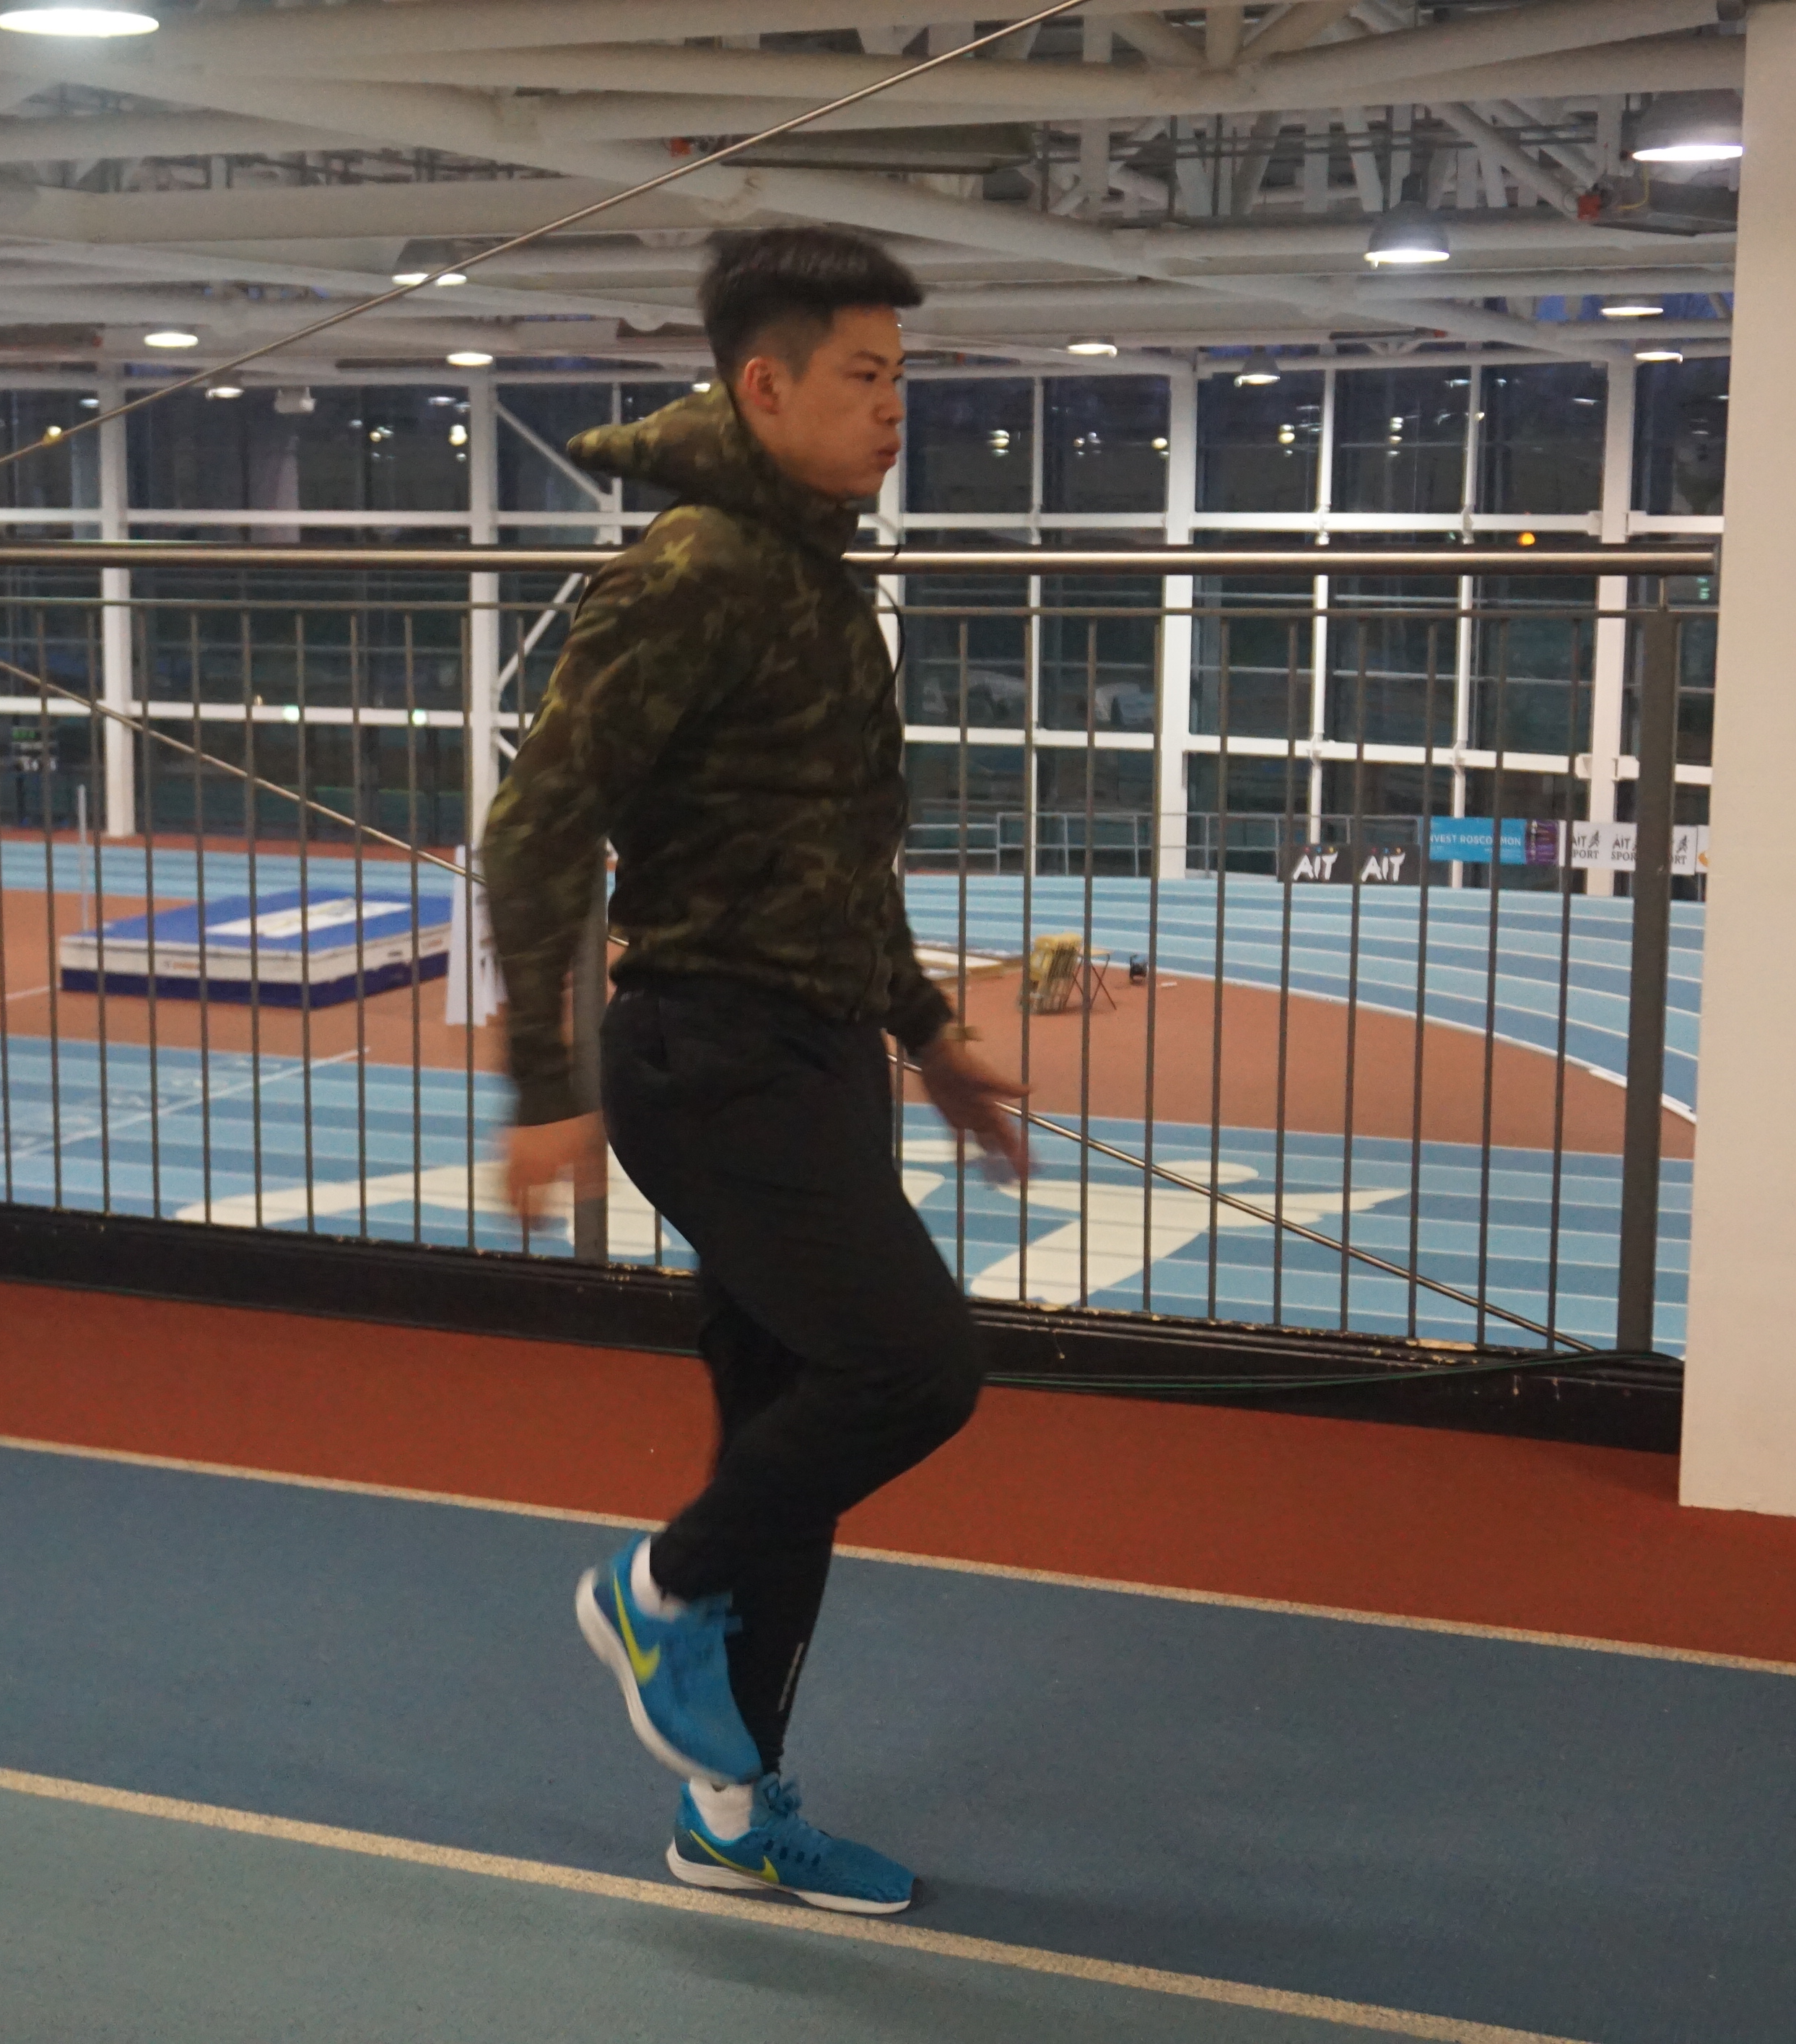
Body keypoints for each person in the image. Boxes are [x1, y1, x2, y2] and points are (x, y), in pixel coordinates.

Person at [479, 226, 1030, 1918]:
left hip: (811, 1050)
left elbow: (830, 857)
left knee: (785, 1439)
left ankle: (728, 1809)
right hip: (711, 1056)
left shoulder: (812, 577)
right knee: (910, 1369)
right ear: (763, 386)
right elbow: (534, 828)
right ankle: (652, 1593)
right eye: (862, 376)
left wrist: (922, 1030)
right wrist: (544, 1083)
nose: (892, 409)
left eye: (900, 377)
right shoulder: (695, 570)